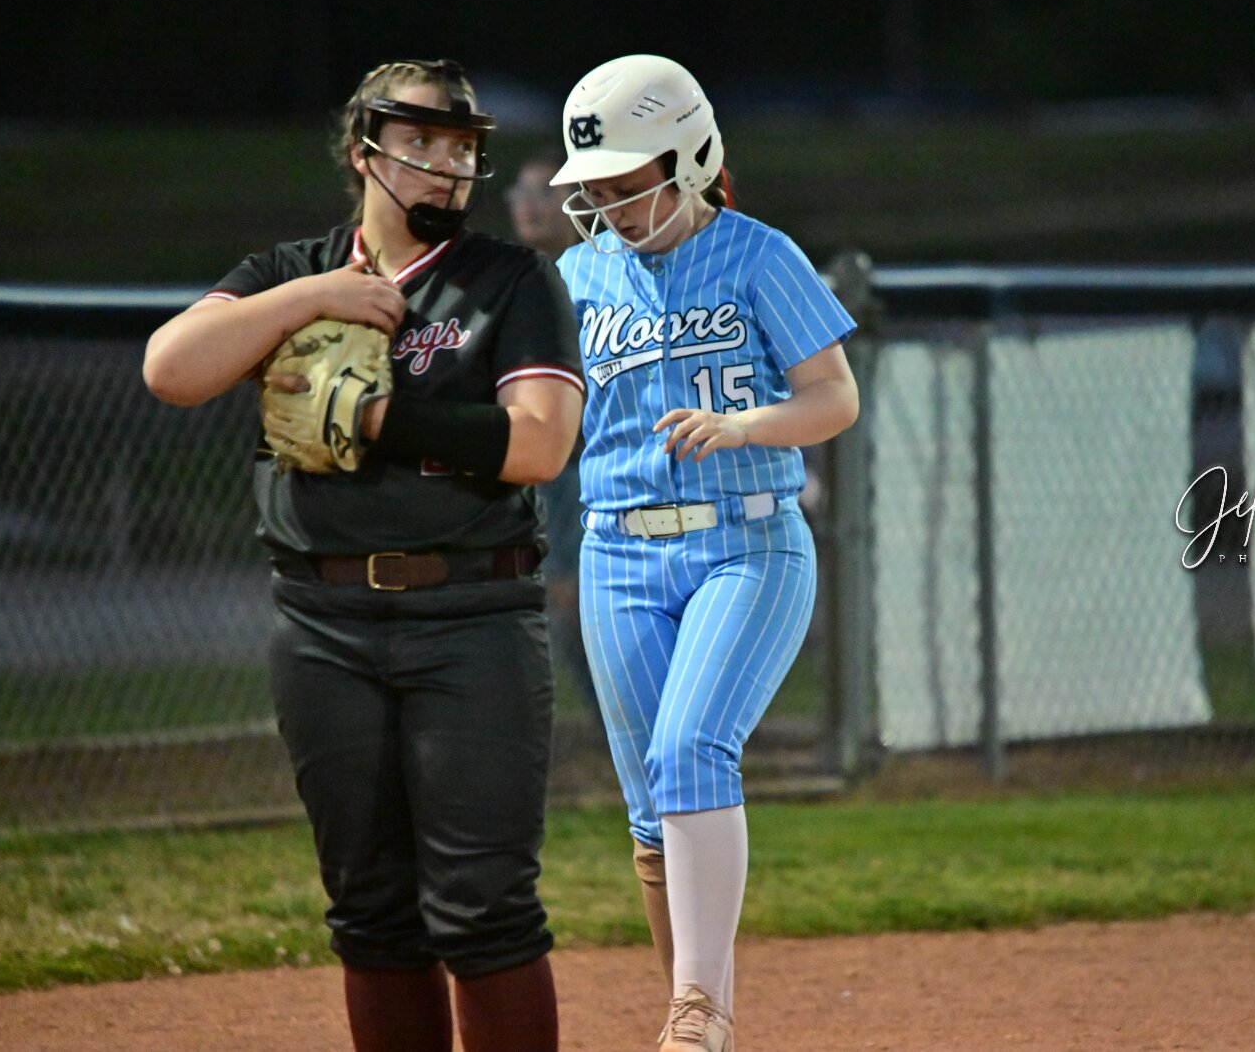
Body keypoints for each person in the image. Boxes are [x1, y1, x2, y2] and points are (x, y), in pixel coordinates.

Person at [143, 59, 584, 1052]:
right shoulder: (289, 274)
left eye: (460, 147)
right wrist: (308, 300)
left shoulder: (508, 280)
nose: (445, 165)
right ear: (363, 152)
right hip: (322, 627)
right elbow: (170, 368)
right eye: (420, 142)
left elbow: (538, 443)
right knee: (372, 911)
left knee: (484, 907)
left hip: (471, 619)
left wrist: (373, 417)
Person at [549, 54, 860, 1052]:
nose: (606, 201)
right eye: (594, 184)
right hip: (616, 553)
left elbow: (835, 398)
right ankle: (699, 1022)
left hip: (746, 542)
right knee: (652, 806)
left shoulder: (761, 255)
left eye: (625, 178)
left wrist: (745, 425)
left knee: (688, 748)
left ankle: (696, 1011)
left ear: (688, 157)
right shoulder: (578, 274)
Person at [504, 151, 604, 748]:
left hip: (585, 461)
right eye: (521, 192)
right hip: (531, 464)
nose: (531, 204)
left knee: (577, 599)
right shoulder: (510, 278)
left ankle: (626, 727)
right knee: (551, 602)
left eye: (545, 192)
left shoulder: (596, 272)